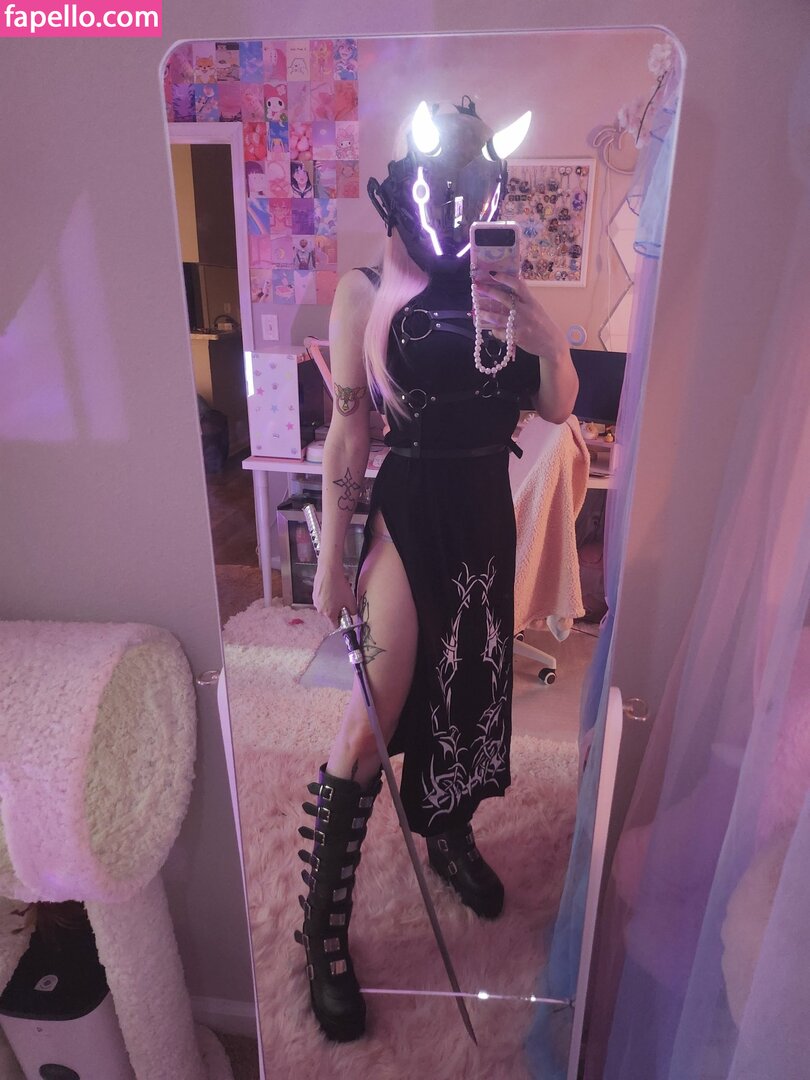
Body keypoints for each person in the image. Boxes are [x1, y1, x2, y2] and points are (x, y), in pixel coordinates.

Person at [294, 98, 579, 1043]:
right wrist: (333, 563)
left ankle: (449, 832)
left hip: (485, 509)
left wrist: (546, 335)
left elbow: (556, 405)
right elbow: (349, 435)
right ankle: (321, 931)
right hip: (413, 506)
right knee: (375, 706)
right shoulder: (366, 289)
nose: (451, 211)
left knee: (470, 690)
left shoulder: (505, 290)